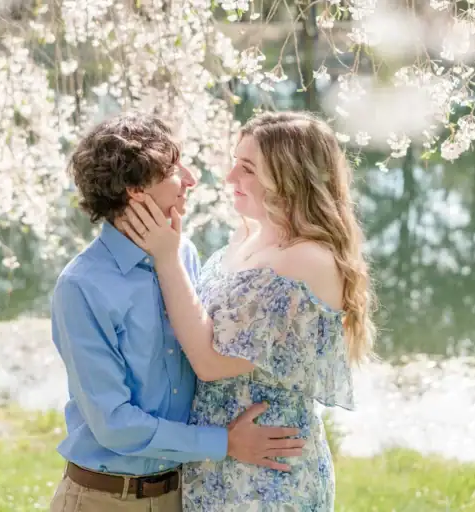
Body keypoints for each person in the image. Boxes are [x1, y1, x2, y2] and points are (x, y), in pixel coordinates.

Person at [118, 110, 376, 511]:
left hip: (265, 474)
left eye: (248, 169)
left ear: (291, 177)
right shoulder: (248, 236)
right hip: (220, 459)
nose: (230, 178)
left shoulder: (308, 260)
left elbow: (210, 361)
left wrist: (167, 258)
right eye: (236, 162)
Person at [49, 112, 306, 512]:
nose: (191, 178)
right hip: (105, 499)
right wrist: (224, 442)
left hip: (181, 493)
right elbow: (114, 423)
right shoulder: (82, 286)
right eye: (172, 169)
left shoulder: (181, 255)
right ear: (135, 191)